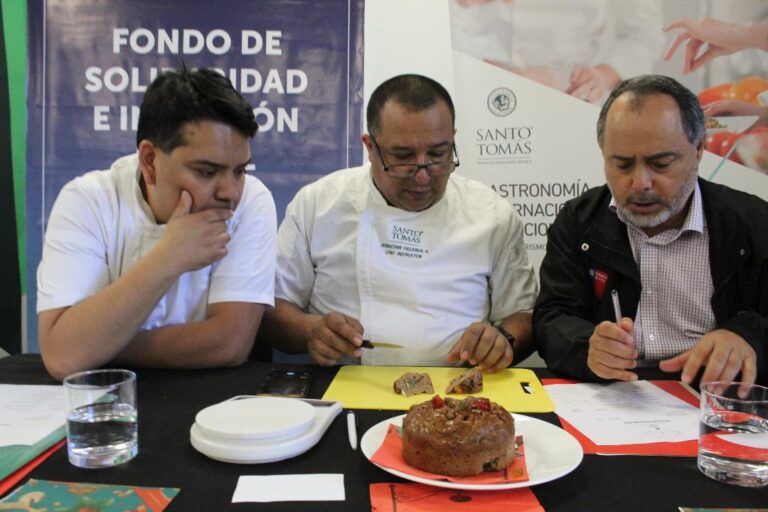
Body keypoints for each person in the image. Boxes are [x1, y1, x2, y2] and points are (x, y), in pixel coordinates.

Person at [261, 74, 537, 370]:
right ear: (370, 147)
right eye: (403, 156)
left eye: (438, 154)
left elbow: (523, 315)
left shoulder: (492, 214)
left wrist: (502, 341)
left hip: (459, 387)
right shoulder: (319, 204)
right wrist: (311, 331)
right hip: (346, 381)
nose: (422, 176)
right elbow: (272, 309)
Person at [534, 75, 768, 395]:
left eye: (660, 164)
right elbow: (552, 317)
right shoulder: (580, 221)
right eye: (622, 165)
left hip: (715, 400)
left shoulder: (752, 223)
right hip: (613, 399)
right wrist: (587, 346)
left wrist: (747, 338)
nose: (640, 183)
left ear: (699, 149)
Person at [37, 68, 276, 380]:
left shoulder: (253, 200)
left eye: (240, 171)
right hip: (110, 401)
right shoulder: (88, 200)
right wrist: (168, 257)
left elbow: (229, 344)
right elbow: (63, 357)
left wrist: (95, 348)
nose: (230, 193)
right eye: (206, 172)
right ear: (150, 161)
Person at [449, 0, 665, 103]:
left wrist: (602, 74)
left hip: (577, 100)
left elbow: (646, 35)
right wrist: (465, 6)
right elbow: (443, 33)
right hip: (487, 101)